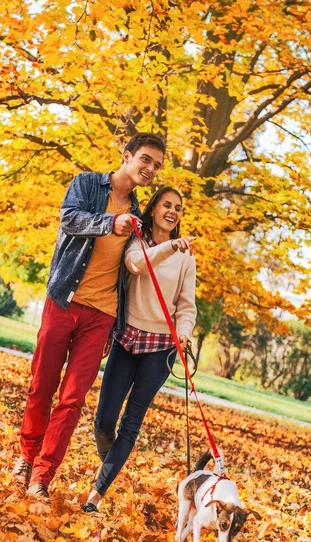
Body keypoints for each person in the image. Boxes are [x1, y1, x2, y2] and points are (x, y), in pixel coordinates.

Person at [12, 132, 166, 499]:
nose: (150, 169)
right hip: (64, 300)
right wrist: (109, 224)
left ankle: (42, 477)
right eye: (145, 159)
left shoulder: (140, 214)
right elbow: (69, 219)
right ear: (126, 155)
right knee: (41, 386)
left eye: (157, 165)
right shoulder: (86, 184)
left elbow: (135, 264)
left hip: (102, 315)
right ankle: (26, 456)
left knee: (72, 399)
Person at [82, 186, 196, 513]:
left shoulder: (186, 256)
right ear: (153, 208)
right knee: (104, 422)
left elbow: (187, 307)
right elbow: (136, 265)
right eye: (166, 205)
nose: (172, 211)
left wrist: (184, 332)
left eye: (177, 207)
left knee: (131, 423)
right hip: (127, 338)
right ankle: (110, 462)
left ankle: (96, 495)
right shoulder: (136, 239)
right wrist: (170, 246)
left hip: (160, 348)